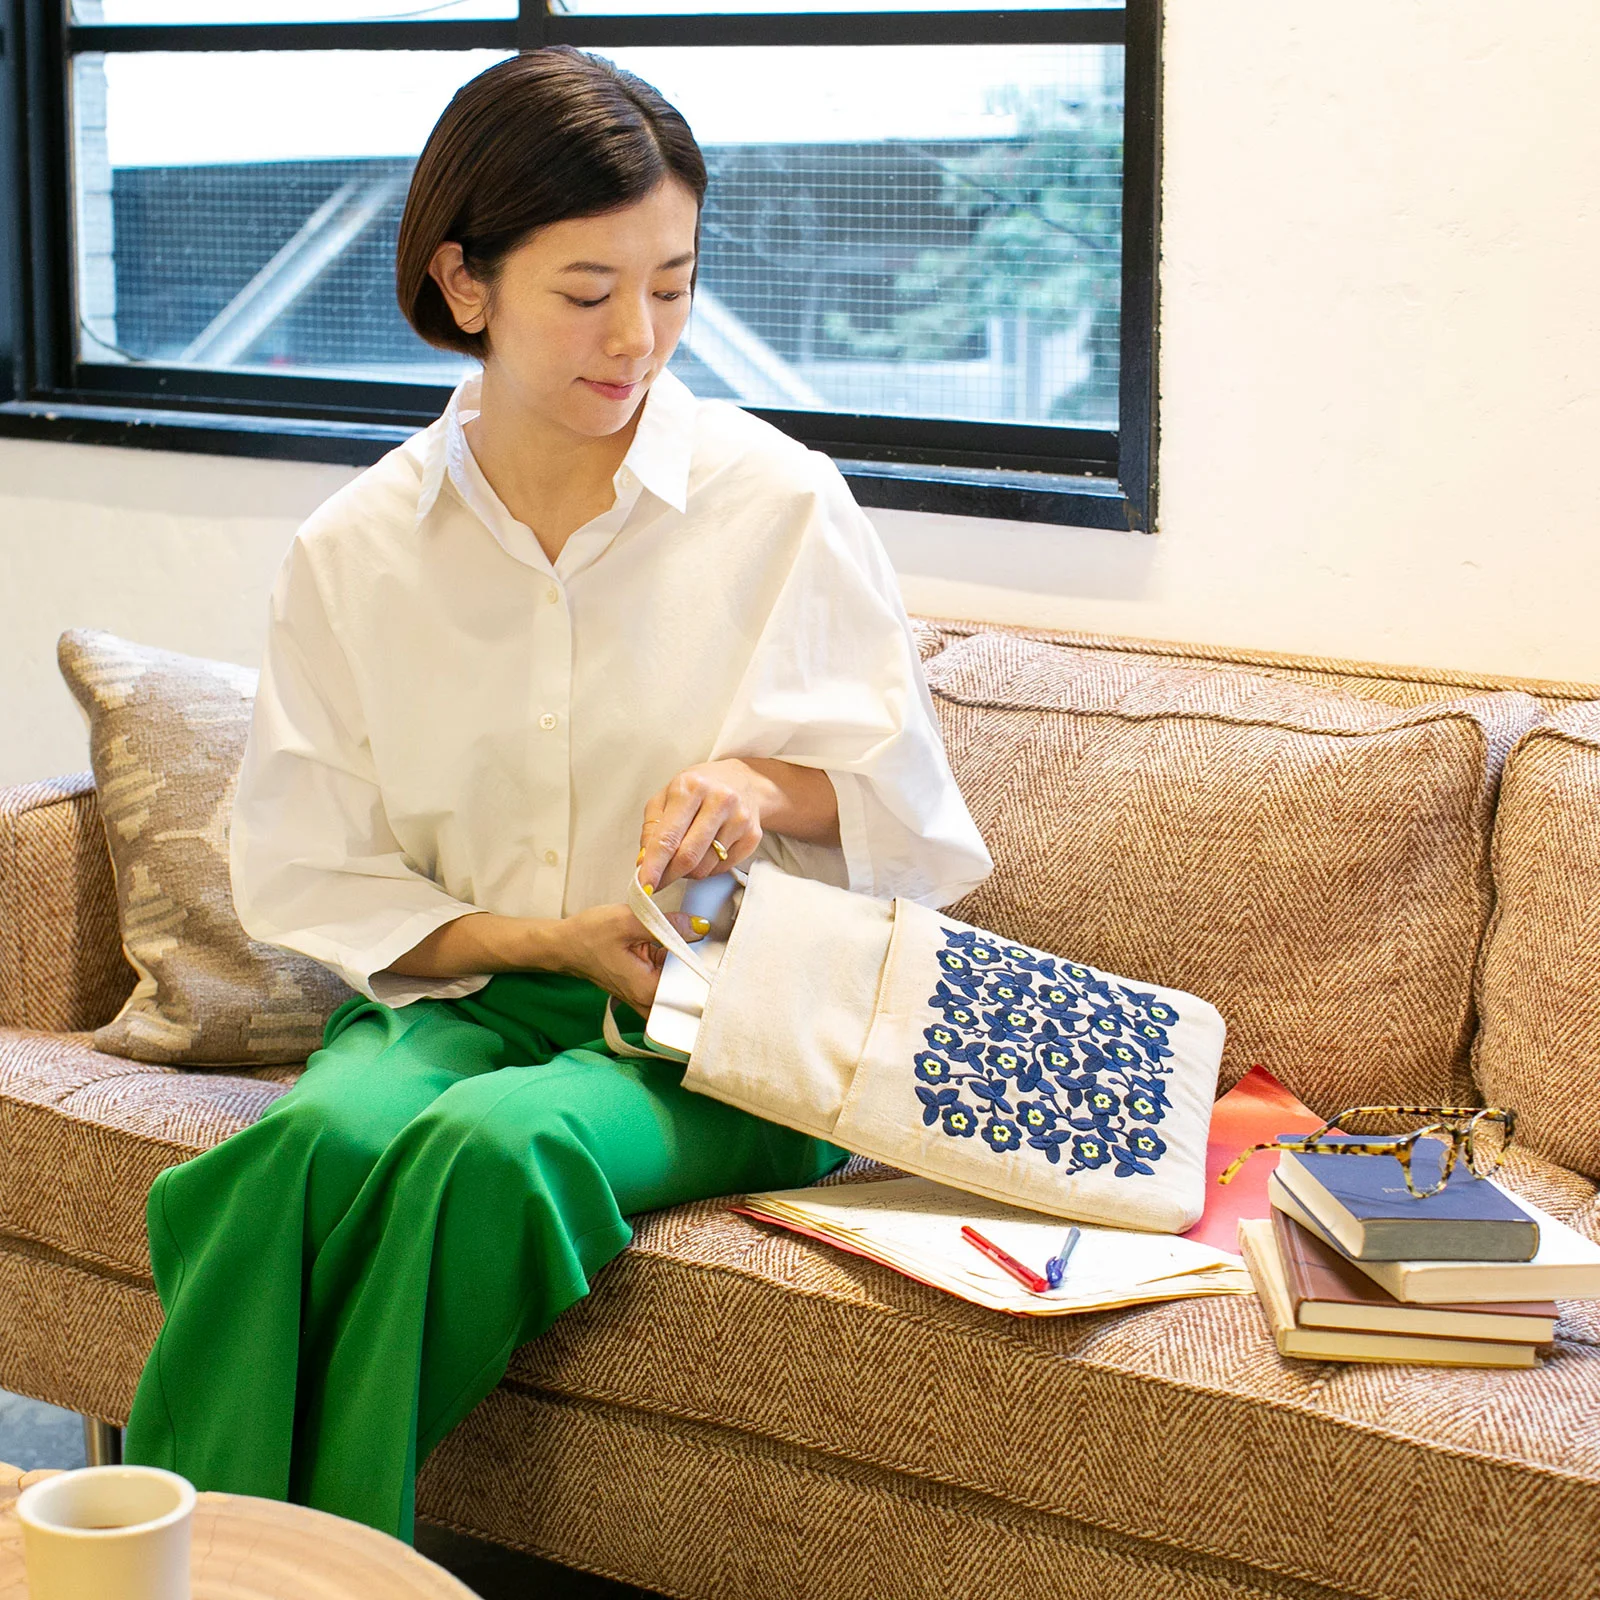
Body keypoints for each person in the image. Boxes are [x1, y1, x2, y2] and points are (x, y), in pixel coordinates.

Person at [123, 46, 992, 1544]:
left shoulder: (779, 502)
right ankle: (206, 1559)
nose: (637, 337)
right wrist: (553, 944)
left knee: (493, 1149)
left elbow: (906, 817)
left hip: (727, 1036)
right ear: (464, 283)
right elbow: (313, 871)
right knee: (307, 1150)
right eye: (587, 292)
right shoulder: (358, 550)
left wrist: (750, 782)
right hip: (472, 1000)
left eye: (672, 285)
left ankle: (285, 1566)